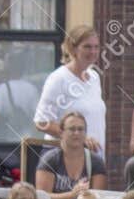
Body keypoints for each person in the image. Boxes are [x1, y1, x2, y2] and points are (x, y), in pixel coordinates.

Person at [35, 25, 105, 153]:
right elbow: (41, 122)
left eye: (96, 47)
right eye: (87, 47)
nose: (93, 52)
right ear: (73, 49)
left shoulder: (94, 77)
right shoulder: (59, 78)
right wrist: (78, 138)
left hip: (93, 156)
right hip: (63, 157)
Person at [34, 111, 108, 199]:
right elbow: (42, 198)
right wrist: (72, 195)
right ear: (61, 132)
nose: (76, 133)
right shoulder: (50, 159)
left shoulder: (96, 162)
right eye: (72, 129)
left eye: (80, 129)